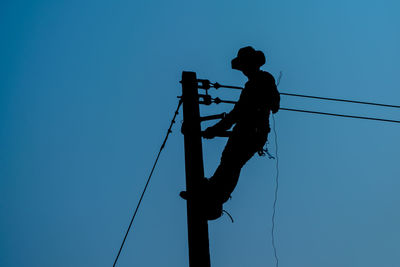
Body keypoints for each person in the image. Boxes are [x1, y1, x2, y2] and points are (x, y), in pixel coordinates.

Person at [182, 46, 280, 220]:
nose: (243, 70)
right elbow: (274, 106)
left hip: (249, 131)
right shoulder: (262, 80)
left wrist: (215, 129)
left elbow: (238, 113)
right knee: (230, 163)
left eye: (244, 66)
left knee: (230, 162)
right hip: (254, 133)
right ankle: (213, 194)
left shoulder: (257, 82)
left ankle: (214, 198)